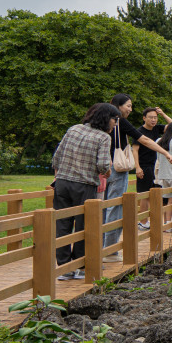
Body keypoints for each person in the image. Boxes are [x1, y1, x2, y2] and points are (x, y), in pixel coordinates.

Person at [103, 94, 172, 263]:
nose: (130, 109)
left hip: (101, 168)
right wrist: (166, 153)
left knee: (102, 207)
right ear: (118, 105)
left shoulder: (98, 120)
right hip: (118, 168)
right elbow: (142, 141)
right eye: (128, 106)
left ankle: (102, 248)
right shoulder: (119, 121)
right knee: (115, 207)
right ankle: (109, 251)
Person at [52, 103, 119, 279]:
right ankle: (81, 265)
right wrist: (108, 171)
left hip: (62, 183)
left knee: (62, 225)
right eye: (115, 120)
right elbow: (103, 165)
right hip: (84, 185)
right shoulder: (103, 137)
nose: (116, 124)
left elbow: (56, 158)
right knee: (84, 226)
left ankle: (65, 269)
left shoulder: (73, 129)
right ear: (107, 119)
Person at [133, 106, 172, 230]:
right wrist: (137, 167)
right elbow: (134, 149)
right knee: (144, 194)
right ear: (144, 118)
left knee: (157, 193)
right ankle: (143, 222)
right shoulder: (139, 131)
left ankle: (159, 222)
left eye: (155, 118)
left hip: (156, 166)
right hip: (144, 166)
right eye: (150, 117)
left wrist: (162, 113)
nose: (153, 120)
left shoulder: (157, 128)